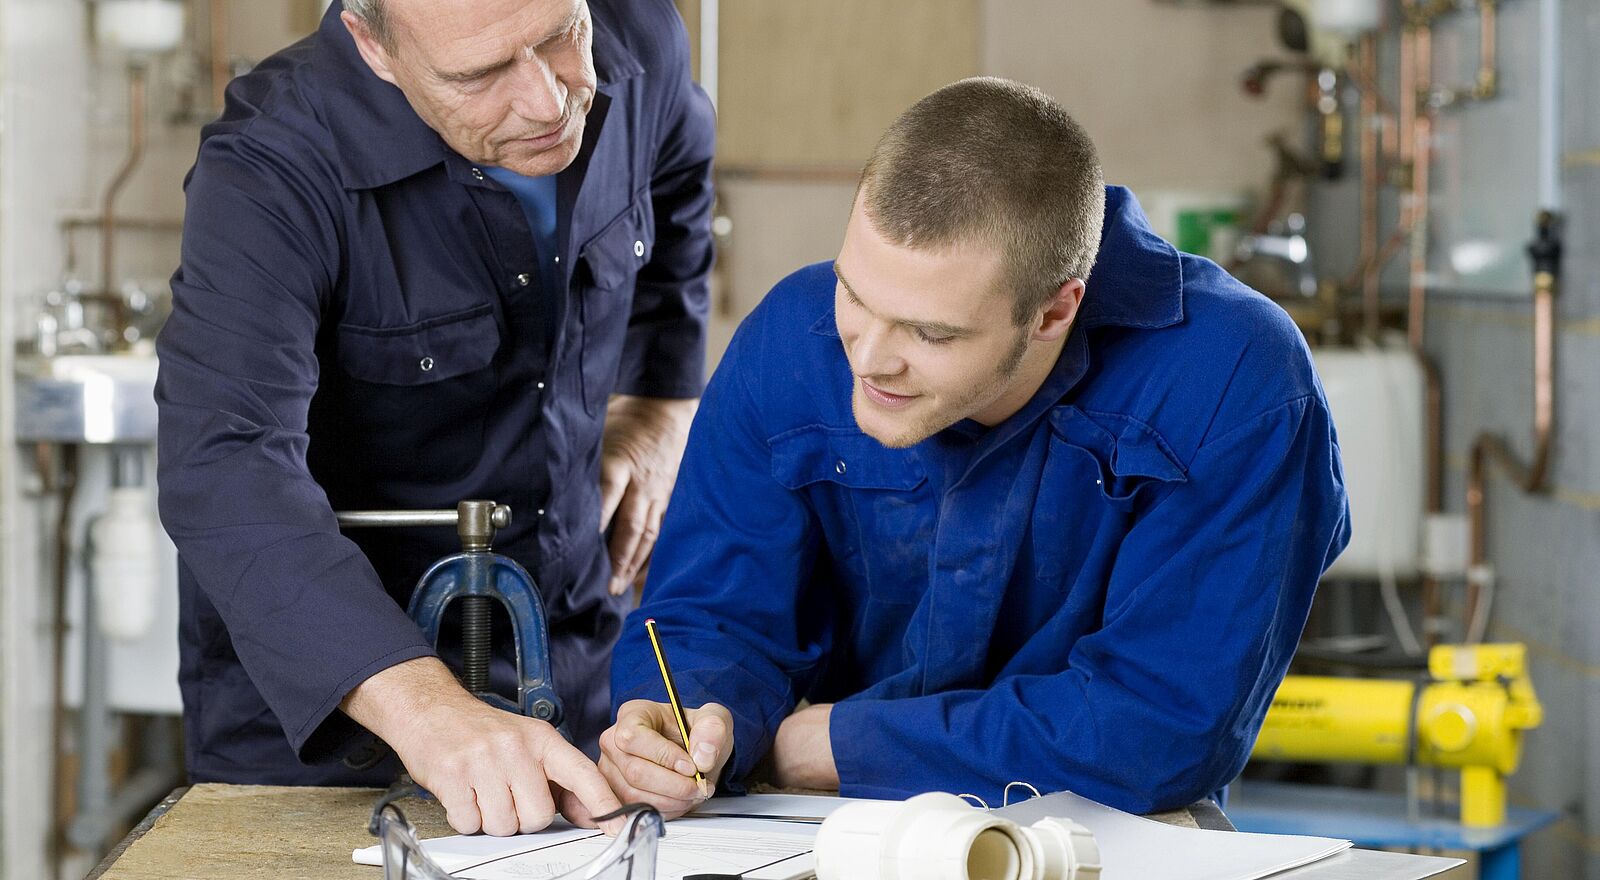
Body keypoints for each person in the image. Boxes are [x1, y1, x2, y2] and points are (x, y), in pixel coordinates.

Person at [599, 77, 1350, 818]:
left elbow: (1161, 725)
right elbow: (707, 617)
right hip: (823, 824)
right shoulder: (787, 341)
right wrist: (692, 721)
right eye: (855, 296)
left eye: (931, 333)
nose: (867, 359)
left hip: (1112, 830)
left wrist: (825, 744)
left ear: (1057, 308)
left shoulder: (1235, 379)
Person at [155, 0, 713, 835]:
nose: (546, 100)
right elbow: (224, 462)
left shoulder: (643, 36)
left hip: (576, 662)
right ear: (373, 46)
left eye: (561, 37)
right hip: (331, 727)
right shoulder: (271, 167)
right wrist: (426, 709)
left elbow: (678, 180)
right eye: (481, 75)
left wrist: (660, 402)